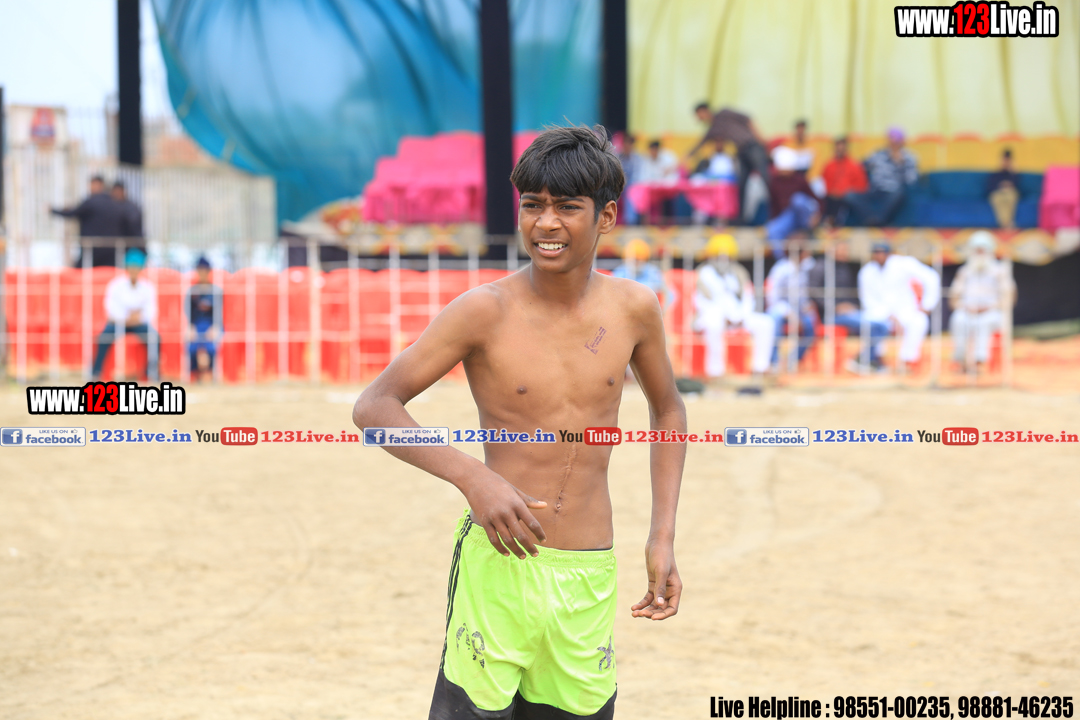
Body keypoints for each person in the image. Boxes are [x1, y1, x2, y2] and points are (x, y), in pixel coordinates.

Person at [352, 125, 686, 719]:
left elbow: (668, 410)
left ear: (606, 216)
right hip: (500, 565)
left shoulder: (635, 309)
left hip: (588, 570)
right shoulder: (484, 310)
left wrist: (662, 534)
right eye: (533, 205)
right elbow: (375, 406)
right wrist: (473, 478)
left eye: (567, 207)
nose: (546, 223)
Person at [692, 234, 775, 379]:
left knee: (765, 322)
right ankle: (715, 372)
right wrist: (724, 316)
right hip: (713, 316)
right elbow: (701, 301)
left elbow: (748, 297)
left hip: (739, 317)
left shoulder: (738, 272)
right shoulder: (703, 273)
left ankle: (760, 368)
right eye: (719, 256)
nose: (723, 260)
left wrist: (741, 316)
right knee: (714, 324)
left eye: (727, 256)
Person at [807, 241, 890, 371]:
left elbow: (850, 294)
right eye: (842, 250)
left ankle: (866, 359)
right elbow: (814, 293)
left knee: (881, 325)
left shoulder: (844, 268)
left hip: (848, 313)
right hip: (830, 315)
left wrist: (852, 306)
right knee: (879, 325)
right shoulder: (820, 267)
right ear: (832, 250)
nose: (845, 253)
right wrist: (835, 307)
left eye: (846, 250)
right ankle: (864, 360)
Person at [858, 242, 941, 370]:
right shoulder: (866, 271)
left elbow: (931, 277)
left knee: (919, 320)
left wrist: (928, 304)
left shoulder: (904, 263)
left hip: (905, 311)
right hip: (880, 313)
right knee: (870, 323)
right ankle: (875, 360)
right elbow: (867, 300)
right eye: (876, 253)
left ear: (889, 254)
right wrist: (888, 315)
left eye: (882, 252)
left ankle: (907, 361)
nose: (879, 256)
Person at [687, 103, 770, 223]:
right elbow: (700, 143)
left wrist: (760, 139)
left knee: (765, 179)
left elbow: (747, 118)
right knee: (741, 185)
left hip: (753, 146)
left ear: (705, 111)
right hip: (741, 152)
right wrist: (687, 156)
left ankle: (772, 215)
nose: (699, 118)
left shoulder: (724, 113)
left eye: (699, 115)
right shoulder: (713, 129)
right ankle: (741, 219)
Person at [949, 231, 1016, 371]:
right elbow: (954, 297)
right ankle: (961, 361)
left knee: (983, 323)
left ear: (989, 251)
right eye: (976, 250)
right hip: (968, 311)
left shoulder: (1000, 271)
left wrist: (990, 307)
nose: (979, 254)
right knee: (958, 319)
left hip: (992, 312)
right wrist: (965, 307)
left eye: (982, 250)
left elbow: (1009, 297)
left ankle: (978, 363)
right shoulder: (964, 272)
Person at [90, 247, 159, 380]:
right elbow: (110, 309)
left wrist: (136, 317)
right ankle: (96, 372)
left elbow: (151, 311)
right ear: (126, 268)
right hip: (118, 323)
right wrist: (128, 317)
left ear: (141, 269)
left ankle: (151, 373)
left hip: (139, 324)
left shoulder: (148, 287)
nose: (134, 270)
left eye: (136, 267)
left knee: (155, 339)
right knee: (103, 338)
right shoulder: (116, 285)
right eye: (131, 267)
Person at [846, 127, 918, 227]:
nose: (893, 143)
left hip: (892, 191)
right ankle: (870, 219)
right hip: (874, 190)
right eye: (891, 139)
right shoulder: (877, 154)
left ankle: (880, 220)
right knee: (850, 195)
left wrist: (901, 165)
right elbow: (861, 166)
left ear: (902, 141)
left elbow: (912, 181)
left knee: (898, 194)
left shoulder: (909, 157)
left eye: (896, 140)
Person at [51, 175, 127, 267]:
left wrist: (53, 210)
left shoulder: (91, 202)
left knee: (83, 272)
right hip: (111, 247)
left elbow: (72, 213)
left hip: (92, 247)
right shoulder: (114, 202)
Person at [766, 242, 817, 367]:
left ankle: (793, 360)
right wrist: (789, 314)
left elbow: (803, 294)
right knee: (774, 321)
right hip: (780, 308)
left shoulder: (805, 267)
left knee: (811, 323)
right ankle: (774, 361)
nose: (808, 255)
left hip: (798, 309)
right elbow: (772, 295)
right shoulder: (781, 269)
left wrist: (806, 306)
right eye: (805, 252)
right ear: (799, 254)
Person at [765, 146, 822, 256]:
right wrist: (776, 222)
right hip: (788, 217)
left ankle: (808, 230)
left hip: (804, 217)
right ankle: (783, 262)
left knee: (797, 199)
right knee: (772, 230)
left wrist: (816, 215)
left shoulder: (800, 180)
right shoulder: (774, 183)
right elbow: (773, 206)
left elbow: (817, 200)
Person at [186, 256, 223, 382]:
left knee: (212, 347)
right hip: (196, 325)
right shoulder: (192, 291)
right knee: (191, 347)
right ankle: (195, 374)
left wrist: (215, 327)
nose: (202, 273)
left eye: (204, 270)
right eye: (199, 270)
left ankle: (211, 373)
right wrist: (190, 327)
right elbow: (189, 314)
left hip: (212, 325)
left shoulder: (216, 291)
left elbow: (220, 314)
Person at [820, 136, 868, 227]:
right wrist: (832, 192)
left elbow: (862, 187)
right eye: (838, 148)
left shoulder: (855, 166)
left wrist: (843, 192)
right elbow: (824, 184)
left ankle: (834, 221)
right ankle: (829, 221)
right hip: (831, 199)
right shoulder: (829, 166)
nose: (840, 150)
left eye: (842, 148)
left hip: (848, 199)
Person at [612, 238, 674, 307]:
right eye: (632, 260)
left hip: (647, 309)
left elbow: (669, 295)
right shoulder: (620, 273)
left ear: (645, 259)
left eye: (638, 260)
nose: (635, 263)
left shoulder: (652, 271)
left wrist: (662, 310)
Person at [986, 149, 1020, 229]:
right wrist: (1001, 186)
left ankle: (1004, 224)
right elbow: (990, 187)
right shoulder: (995, 174)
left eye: (1007, 161)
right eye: (1004, 160)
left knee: (1011, 197)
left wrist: (1012, 172)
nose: (1005, 162)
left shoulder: (1013, 174)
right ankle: (1007, 224)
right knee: (997, 199)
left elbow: (1017, 186)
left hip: (1009, 193)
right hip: (998, 193)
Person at [111, 180, 145, 248]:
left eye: (118, 191)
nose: (117, 194)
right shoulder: (111, 206)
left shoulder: (130, 207)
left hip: (132, 243)